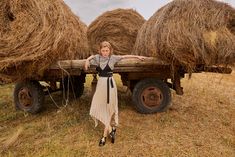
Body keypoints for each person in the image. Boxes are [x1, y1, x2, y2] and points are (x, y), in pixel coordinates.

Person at [84, 41, 146, 146]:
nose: (105, 52)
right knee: (97, 105)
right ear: (100, 50)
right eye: (103, 50)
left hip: (110, 85)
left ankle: (104, 136)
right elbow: (92, 56)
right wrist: (87, 60)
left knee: (109, 107)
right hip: (101, 85)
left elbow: (125, 56)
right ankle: (111, 129)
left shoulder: (113, 58)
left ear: (110, 51)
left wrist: (137, 57)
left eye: (107, 50)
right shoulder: (97, 58)